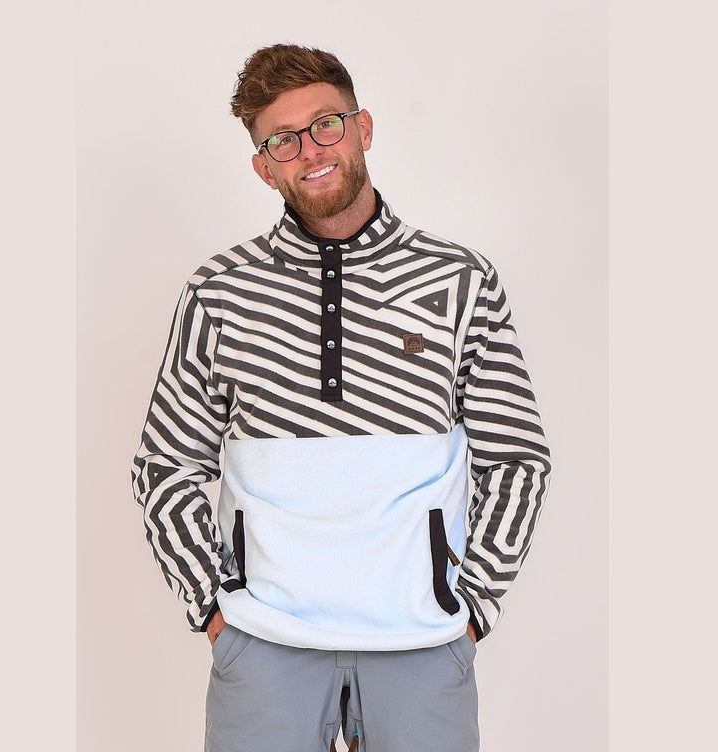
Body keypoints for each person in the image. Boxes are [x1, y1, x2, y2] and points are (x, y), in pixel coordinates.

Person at [132, 43, 551, 752]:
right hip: (264, 646)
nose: (311, 150)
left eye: (326, 123)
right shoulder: (220, 292)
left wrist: (473, 606)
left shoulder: (461, 280)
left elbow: (517, 458)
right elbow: (164, 464)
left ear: (363, 127)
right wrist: (211, 607)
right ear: (264, 167)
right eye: (283, 140)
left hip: (423, 645)